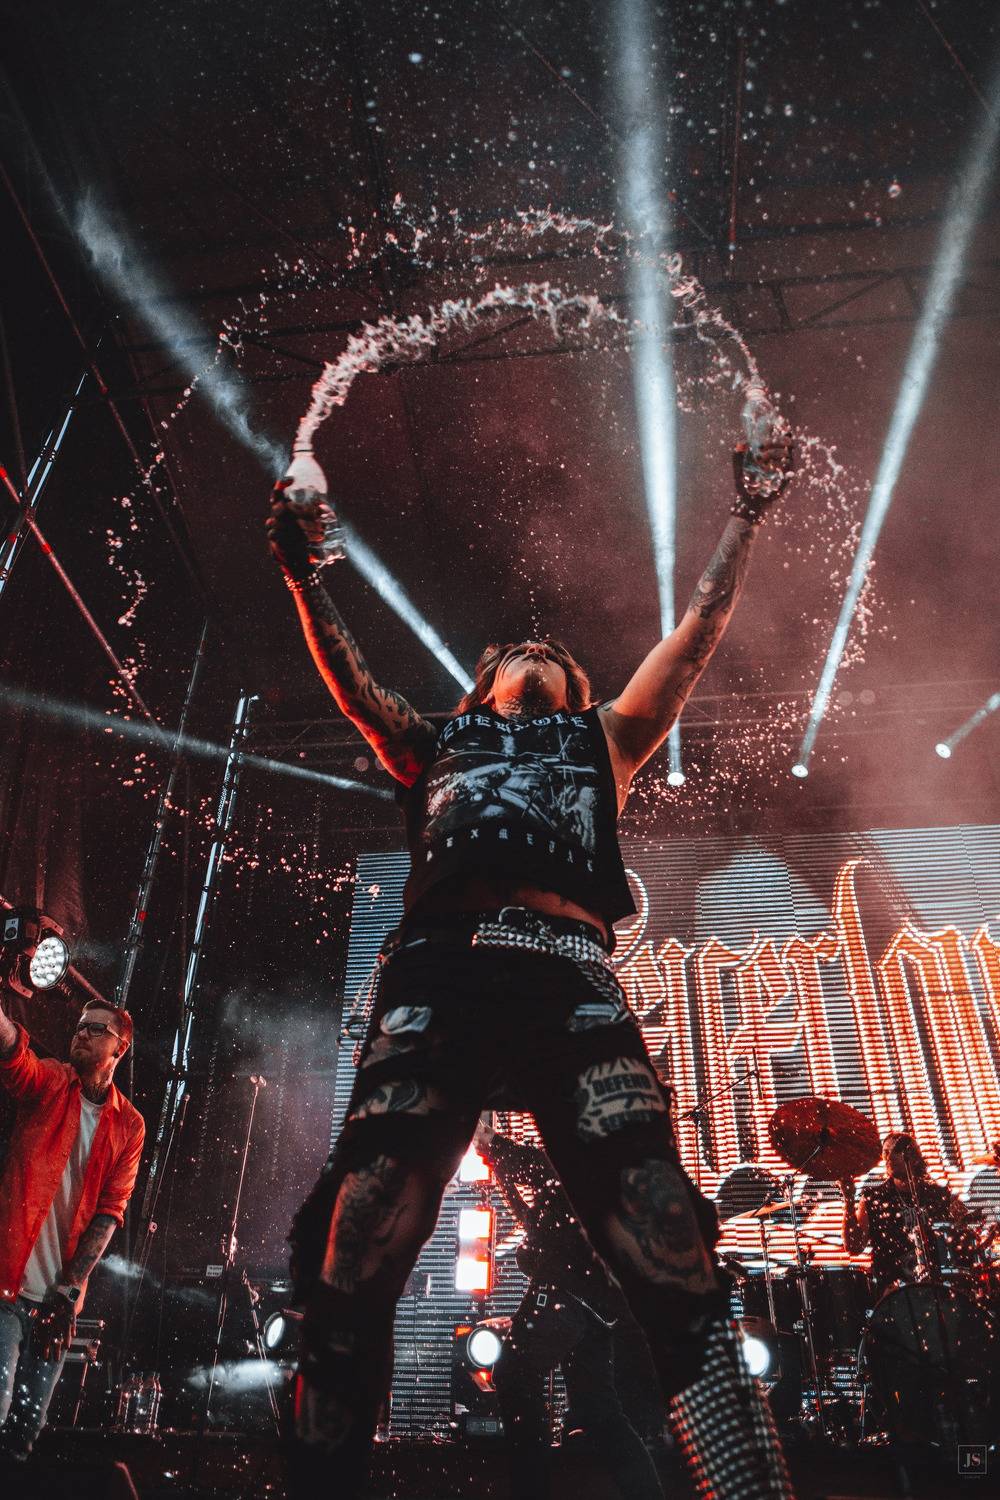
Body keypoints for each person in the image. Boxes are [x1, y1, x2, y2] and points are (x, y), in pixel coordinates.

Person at [267, 431, 796, 1498]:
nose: (541, 650)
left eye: (557, 650)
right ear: (487, 681)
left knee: (660, 1218)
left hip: (566, 974)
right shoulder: (437, 741)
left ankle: (748, 1484)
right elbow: (353, 685)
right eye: (522, 648)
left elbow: (695, 636)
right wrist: (299, 576)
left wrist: (746, 517)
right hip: (441, 972)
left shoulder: (606, 738)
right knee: (362, 1221)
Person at [474, 1118, 664, 1500]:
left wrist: (494, 1143)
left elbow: (550, 1169)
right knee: (600, 1411)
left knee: (514, 1375)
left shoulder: (596, 1143)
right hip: (595, 1301)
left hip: (568, 1286)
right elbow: (545, 1219)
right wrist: (498, 1165)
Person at [0, 996, 144, 1458]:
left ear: (120, 1049)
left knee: (25, 1431)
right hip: (5, 1288)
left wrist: (68, 1293)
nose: (82, 1032)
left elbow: (109, 1212)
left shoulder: (130, 1126)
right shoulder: (51, 1082)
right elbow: (15, 1057)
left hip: (57, 1304)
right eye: (81, 1025)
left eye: (96, 1029)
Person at [840, 1133, 977, 1294]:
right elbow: (854, 1247)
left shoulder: (939, 1195)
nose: (889, 1157)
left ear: (914, 1157)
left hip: (939, 1286)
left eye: (896, 1151)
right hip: (894, 1290)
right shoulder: (873, 1198)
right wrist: (849, 1201)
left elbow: (966, 1233)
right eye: (886, 1152)